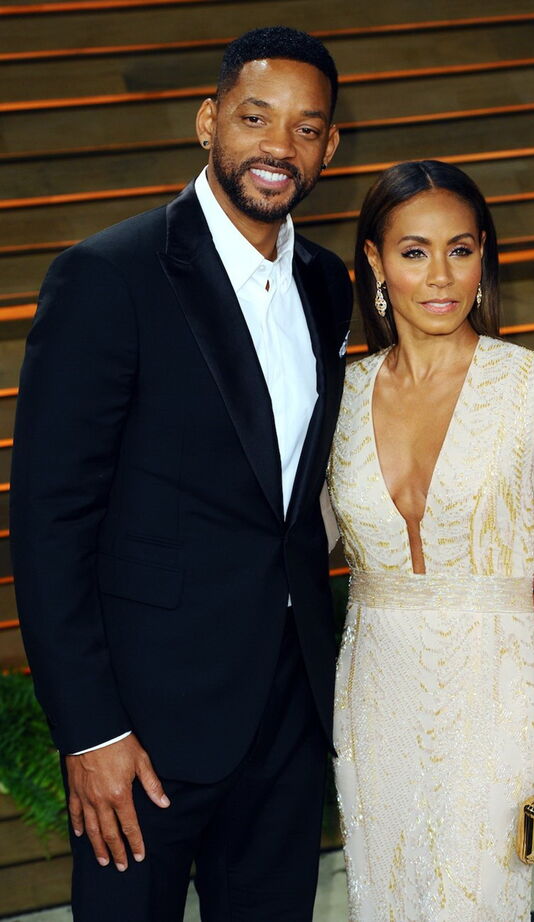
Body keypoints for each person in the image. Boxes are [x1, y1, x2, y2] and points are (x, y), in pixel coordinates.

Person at [10, 27, 352, 922]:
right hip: (143, 729)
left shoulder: (327, 283)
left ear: (330, 147)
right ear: (209, 122)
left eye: (306, 128)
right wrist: (90, 730)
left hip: (287, 714)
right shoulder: (106, 276)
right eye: (255, 117)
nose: (279, 147)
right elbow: (49, 525)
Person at [327, 160, 534, 921]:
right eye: (414, 252)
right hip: (372, 694)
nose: (441, 275)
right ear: (376, 264)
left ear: (484, 256)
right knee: (386, 900)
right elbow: (291, 542)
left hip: (495, 691)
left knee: (476, 901)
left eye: (461, 248)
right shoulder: (342, 396)